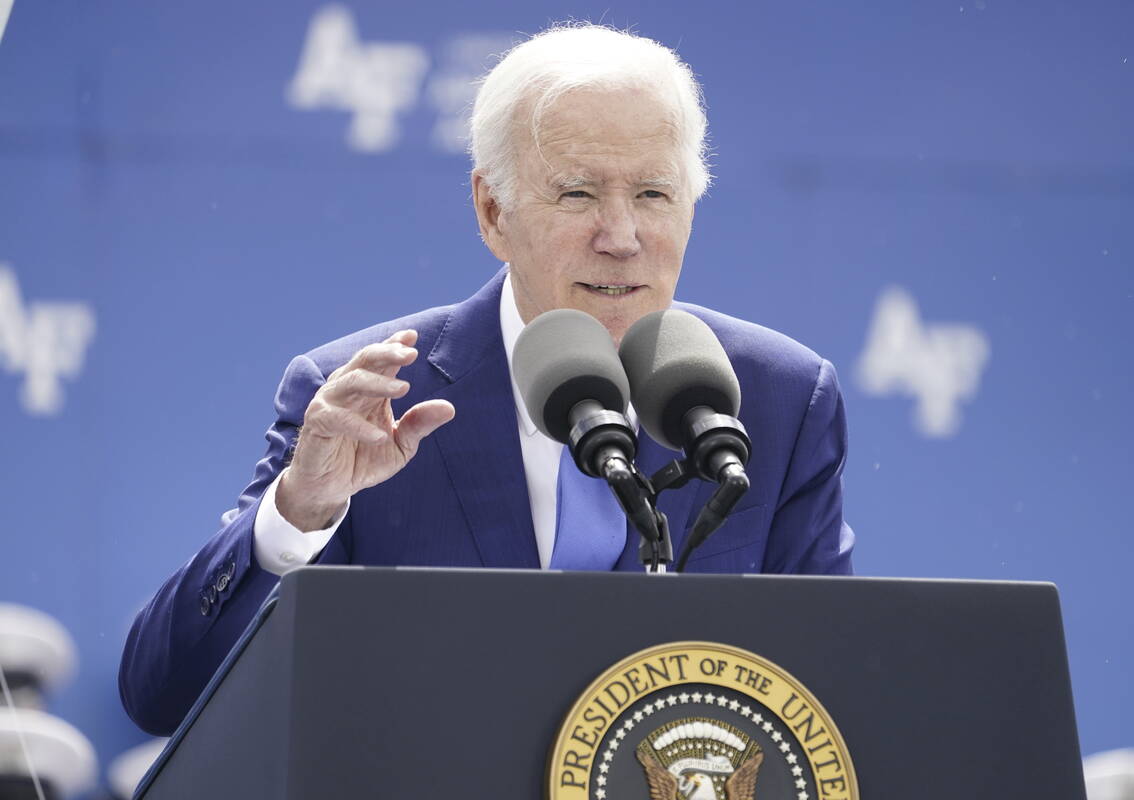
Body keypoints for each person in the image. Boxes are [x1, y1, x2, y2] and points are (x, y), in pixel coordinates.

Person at [119, 24, 855, 736]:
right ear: (492, 211)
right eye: (577, 194)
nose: (622, 236)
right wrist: (300, 514)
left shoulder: (779, 399)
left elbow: (835, 694)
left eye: (654, 195)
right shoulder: (373, 398)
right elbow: (165, 696)